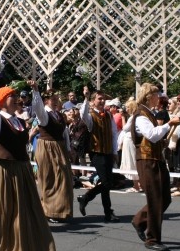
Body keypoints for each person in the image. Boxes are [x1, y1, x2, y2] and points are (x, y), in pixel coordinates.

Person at [0, 77, 57, 251]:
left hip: (23, 170)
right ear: (2, 101)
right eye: (12, 96)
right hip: (5, 171)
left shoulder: (19, 121)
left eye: (17, 96)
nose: (17, 99)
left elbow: (40, 113)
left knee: (27, 212)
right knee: (3, 212)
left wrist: (36, 91)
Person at [130, 83, 180, 251]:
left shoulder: (148, 114)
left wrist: (165, 134)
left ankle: (139, 221)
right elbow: (151, 136)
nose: (159, 97)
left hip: (156, 160)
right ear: (148, 96)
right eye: (156, 94)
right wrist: (169, 124)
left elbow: (155, 137)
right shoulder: (141, 115)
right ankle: (152, 239)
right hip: (147, 161)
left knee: (165, 198)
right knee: (155, 200)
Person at [30, 82, 74, 223]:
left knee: (63, 179)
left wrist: (68, 148)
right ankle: (49, 211)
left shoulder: (59, 115)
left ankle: (60, 210)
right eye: (52, 98)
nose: (55, 100)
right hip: (47, 148)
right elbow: (37, 108)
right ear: (46, 101)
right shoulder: (44, 115)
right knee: (49, 179)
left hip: (59, 147)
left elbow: (65, 133)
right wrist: (36, 91)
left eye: (56, 98)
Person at [78, 86, 120, 222]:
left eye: (103, 99)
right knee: (107, 182)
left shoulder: (108, 115)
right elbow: (82, 115)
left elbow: (114, 133)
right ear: (93, 101)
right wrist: (85, 97)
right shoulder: (91, 115)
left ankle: (108, 212)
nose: (102, 101)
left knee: (107, 183)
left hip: (107, 152)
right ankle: (86, 198)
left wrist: (114, 151)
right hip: (96, 153)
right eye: (99, 99)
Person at [119, 99, 142, 193]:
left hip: (129, 141)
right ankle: (138, 184)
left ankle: (136, 185)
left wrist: (123, 118)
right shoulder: (134, 116)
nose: (126, 109)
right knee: (132, 161)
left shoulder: (133, 117)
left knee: (131, 161)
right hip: (129, 140)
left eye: (128, 107)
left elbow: (125, 128)